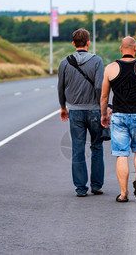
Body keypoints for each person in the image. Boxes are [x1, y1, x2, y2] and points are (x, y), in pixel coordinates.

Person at [100, 36, 136, 202]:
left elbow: (104, 96)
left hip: (119, 116)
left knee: (121, 154)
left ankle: (123, 194)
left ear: (121, 49)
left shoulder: (110, 68)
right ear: (135, 49)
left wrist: (104, 115)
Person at [58, 28, 105, 197]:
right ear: (88, 43)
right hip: (94, 111)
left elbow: (61, 87)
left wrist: (63, 107)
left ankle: (80, 188)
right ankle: (96, 185)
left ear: (73, 44)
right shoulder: (97, 61)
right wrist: (103, 108)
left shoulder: (64, 63)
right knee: (97, 147)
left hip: (75, 112)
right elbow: (100, 86)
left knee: (77, 148)